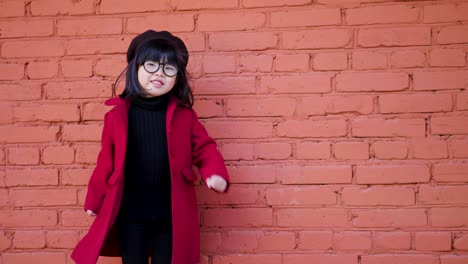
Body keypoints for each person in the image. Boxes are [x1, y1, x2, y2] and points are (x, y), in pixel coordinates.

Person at [71, 30, 230, 264]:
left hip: (171, 215)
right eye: (152, 65)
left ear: (178, 77)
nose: (160, 74)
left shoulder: (185, 116)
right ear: (135, 68)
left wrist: (214, 172)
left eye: (169, 68)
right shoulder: (117, 117)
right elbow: (106, 162)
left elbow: (204, 148)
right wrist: (94, 200)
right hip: (131, 214)